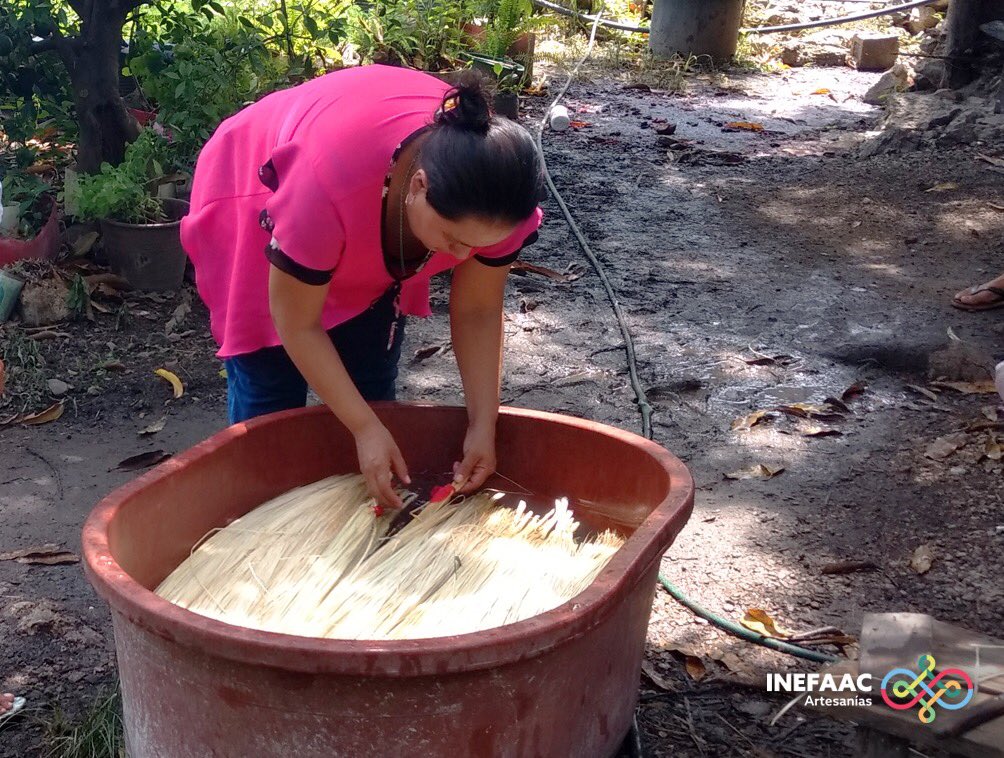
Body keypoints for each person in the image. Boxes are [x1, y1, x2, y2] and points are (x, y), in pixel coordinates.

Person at [181, 65, 544, 510]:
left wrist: (482, 424)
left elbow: (478, 311)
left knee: (371, 373)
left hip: (367, 210)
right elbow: (295, 322)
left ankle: (362, 515)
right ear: (418, 186)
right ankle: (268, 519)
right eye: (454, 240)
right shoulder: (324, 186)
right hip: (258, 189)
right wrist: (364, 428)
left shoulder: (498, 201)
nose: (463, 257)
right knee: (271, 389)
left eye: (477, 246)